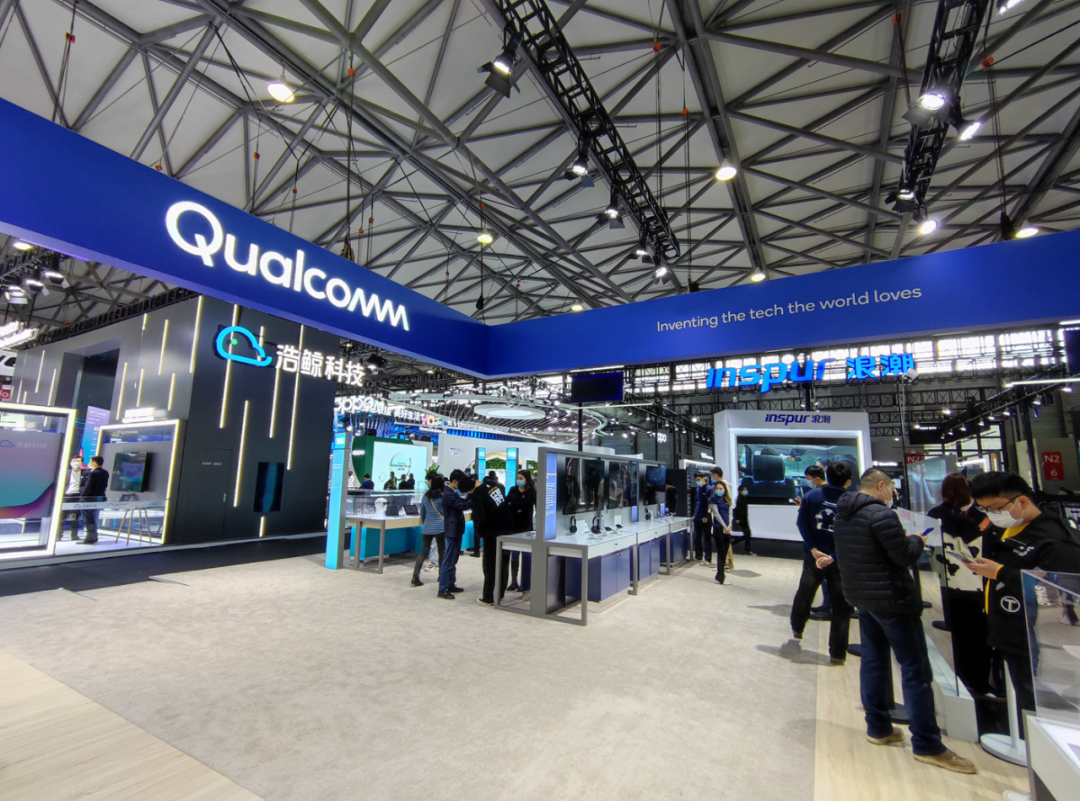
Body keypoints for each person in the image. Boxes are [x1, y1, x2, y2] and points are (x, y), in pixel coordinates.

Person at [833, 468, 976, 774]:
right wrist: (917, 541)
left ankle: (878, 727)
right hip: (892, 599)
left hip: (863, 597)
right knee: (915, 671)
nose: (893, 493)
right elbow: (904, 557)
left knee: (873, 661)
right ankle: (927, 744)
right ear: (881, 486)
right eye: (891, 488)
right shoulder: (881, 515)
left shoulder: (843, 514)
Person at [967, 472, 1080, 716]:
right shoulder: (1002, 528)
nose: (991, 514)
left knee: (1033, 698)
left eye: (996, 508)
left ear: (1023, 501)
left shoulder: (1055, 540)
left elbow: (1060, 593)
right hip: (1005, 624)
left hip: (1034, 634)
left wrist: (1001, 573)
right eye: (984, 509)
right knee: (1017, 690)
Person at [927, 474, 993, 694]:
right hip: (977, 583)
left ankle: (968, 679)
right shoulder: (981, 517)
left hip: (951, 582)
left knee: (962, 632)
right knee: (978, 633)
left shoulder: (936, 515)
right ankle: (978, 681)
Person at [790, 462, 854, 664]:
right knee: (842, 607)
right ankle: (838, 653)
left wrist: (813, 549)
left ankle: (797, 628)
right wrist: (833, 556)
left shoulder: (811, 496)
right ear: (848, 481)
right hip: (839, 561)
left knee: (805, 594)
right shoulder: (851, 502)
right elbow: (851, 534)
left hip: (814, 558)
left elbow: (802, 523)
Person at [465, 475, 513, 606]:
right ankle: (500, 593)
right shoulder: (495, 486)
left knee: (489, 565)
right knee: (504, 563)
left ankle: (488, 597)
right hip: (507, 528)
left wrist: (480, 533)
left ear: (469, 490)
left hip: (492, 533)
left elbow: (480, 518)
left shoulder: (477, 496)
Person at [437, 470, 470, 600]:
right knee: (449, 558)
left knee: (454, 558)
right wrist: (473, 497)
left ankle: (450, 584)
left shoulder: (453, 492)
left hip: (456, 529)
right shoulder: (448, 494)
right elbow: (463, 505)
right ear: (455, 481)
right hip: (452, 529)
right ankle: (443, 588)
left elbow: (463, 502)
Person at [413, 473, 447, 588]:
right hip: (440, 527)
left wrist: (425, 523)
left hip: (427, 527)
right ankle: (441, 576)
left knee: (423, 552)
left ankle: (415, 577)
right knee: (442, 552)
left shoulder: (426, 496)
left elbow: (422, 512)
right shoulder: (442, 496)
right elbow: (445, 512)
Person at [505, 470, 536, 592]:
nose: (519, 480)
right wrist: (515, 506)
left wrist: (513, 505)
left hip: (526, 527)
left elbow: (526, 505)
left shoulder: (531, 492)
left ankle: (526, 584)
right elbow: (507, 502)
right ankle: (514, 581)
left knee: (526, 556)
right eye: (517, 478)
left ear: (526, 479)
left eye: (521, 478)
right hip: (514, 527)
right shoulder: (513, 490)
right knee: (514, 555)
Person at [78, 456, 109, 546]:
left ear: (94, 463)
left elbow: (89, 486)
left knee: (88, 518)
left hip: (89, 499)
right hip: (98, 498)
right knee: (93, 518)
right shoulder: (105, 472)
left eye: (91, 461)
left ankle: (90, 538)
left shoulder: (93, 473)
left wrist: (83, 496)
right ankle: (94, 536)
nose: (89, 463)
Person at [708, 475, 734, 584]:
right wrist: (724, 526)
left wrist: (729, 526)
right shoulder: (713, 499)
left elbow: (730, 513)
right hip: (718, 528)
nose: (719, 490)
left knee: (725, 552)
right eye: (717, 488)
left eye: (721, 488)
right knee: (721, 551)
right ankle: (721, 576)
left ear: (724, 490)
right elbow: (716, 514)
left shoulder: (727, 499)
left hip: (727, 529)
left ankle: (720, 574)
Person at [60, 456, 87, 542]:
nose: (75, 462)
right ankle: (58, 536)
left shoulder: (85, 473)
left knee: (75, 517)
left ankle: (74, 535)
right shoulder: (66, 472)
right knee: (61, 517)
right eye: (74, 461)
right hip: (65, 496)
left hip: (76, 497)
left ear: (81, 463)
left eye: (78, 461)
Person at [692, 472, 712, 564]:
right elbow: (696, 502)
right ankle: (698, 555)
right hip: (697, 516)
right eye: (696, 480)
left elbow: (710, 505)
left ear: (704, 478)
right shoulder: (698, 489)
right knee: (697, 537)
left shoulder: (709, 489)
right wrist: (694, 514)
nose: (697, 481)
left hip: (705, 518)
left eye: (699, 480)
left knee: (706, 538)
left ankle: (708, 558)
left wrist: (707, 516)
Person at [732, 485, 753, 555]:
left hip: (744, 518)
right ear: (740, 491)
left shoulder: (744, 498)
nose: (746, 491)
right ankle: (747, 549)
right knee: (747, 534)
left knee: (748, 534)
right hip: (741, 519)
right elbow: (736, 509)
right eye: (744, 490)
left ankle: (736, 541)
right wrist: (737, 518)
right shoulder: (739, 498)